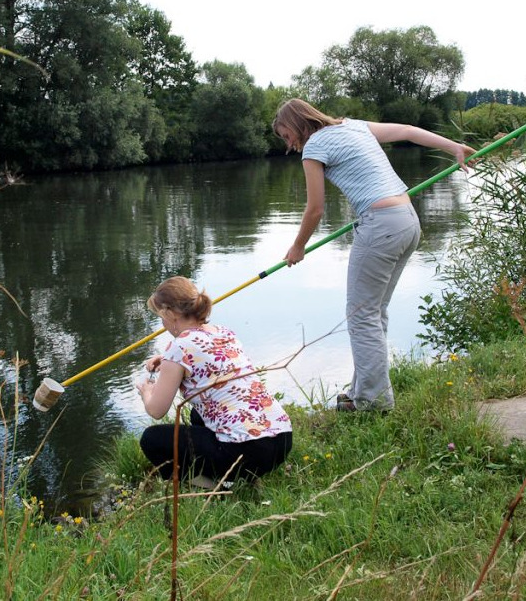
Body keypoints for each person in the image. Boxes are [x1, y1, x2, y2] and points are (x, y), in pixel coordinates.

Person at [272, 98, 476, 413]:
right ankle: (362, 392)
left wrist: (298, 246)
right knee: (374, 311)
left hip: (381, 226)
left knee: (361, 315)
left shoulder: (314, 148)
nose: (290, 145)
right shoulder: (354, 126)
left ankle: (374, 402)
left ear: (298, 124)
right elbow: (408, 131)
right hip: (407, 220)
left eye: (287, 136)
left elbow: (315, 209)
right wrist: (455, 147)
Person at [136, 276, 293, 488]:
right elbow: (211, 366)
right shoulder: (224, 333)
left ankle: (214, 489)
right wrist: (166, 363)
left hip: (244, 450)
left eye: (161, 317)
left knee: (152, 439)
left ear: (171, 314)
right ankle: (247, 477)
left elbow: (156, 410)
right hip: (281, 441)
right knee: (197, 413)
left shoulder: (179, 346)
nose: (162, 325)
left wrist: (147, 391)